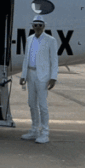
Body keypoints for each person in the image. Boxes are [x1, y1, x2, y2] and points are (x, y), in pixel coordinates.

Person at [19, 15, 58, 144]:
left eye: (40, 25)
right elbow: (26, 58)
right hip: (30, 74)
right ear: (32, 26)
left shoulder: (50, 40)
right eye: (35, 25)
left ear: (44, 26)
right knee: (31, 103)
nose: (37, 28)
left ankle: (45, 132)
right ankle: (34, 129)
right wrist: (23, 75)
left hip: (43, 76)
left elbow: (54, 60)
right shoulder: (29, 39)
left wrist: (53, 77)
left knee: (42, 105)